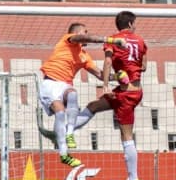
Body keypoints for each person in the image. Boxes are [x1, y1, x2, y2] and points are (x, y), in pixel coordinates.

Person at [64, 11, 147, 180]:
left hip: (125, 94)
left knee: (126, 137)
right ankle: (66, 130)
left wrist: (106, 85)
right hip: (132, 90)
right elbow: (144, 67)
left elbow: (108, 61)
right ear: (131, 24)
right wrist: (125, 72)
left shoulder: (113, 40)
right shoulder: (141, 41)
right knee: (93, 106)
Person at [39, 22, 125, 168]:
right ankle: (64, 154)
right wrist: (110, 40)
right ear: (77, 33)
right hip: (50, 83)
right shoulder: (67, 40)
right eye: (85, 32)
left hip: (65, 85)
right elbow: (85, 38)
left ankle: (70, 133)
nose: (87, 34)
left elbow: (100, 74)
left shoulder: (84, 56)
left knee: (72, 94)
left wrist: (117, 77)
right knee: (60, 113)